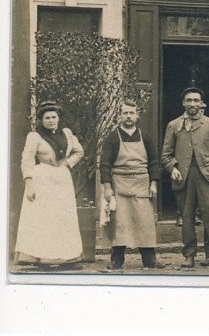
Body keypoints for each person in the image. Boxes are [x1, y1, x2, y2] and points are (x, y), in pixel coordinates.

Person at [161, 86, 209, 269]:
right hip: (184, 177)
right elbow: (166, 155)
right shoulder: (174, 125)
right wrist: (172, 169)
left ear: (202, 103)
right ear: (183, 103)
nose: (193, 104)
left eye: (196, 100)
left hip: (207, 177)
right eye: (189, 100)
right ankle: (189, 255)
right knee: (187, 218)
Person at [15, 100, 84, 269]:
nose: (51, 120)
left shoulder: (67, 134)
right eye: (47, 118)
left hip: (62, 179)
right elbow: (27, 160)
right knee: (45, 220)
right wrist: (29, 184)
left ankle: (67, 259)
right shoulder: (35, 136)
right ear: (41, 120)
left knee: (64, 219)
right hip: (43, 179)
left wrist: (68, 164)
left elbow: (79, 151)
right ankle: (42, 259)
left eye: (53, 117)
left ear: (59, 118)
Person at [99, 100, 163, 271]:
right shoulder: (112, 137)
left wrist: (154, 183)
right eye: (125, 113)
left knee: (145, 221)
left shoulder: (146, 137)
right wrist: (107, 187)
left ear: (137, 115)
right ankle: (117, 260)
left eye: (131, 113)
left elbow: (154, 162)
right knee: (120, 223)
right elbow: (105, 163)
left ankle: (149, 259)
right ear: (120, 115)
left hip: (142, 184)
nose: (128, 116)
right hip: (119, 184)